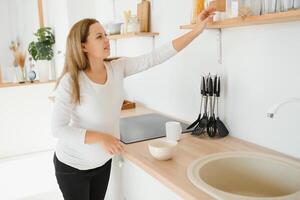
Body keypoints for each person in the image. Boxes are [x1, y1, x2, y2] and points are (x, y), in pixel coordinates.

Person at [51, 7, 215, 200]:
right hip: (73, 167)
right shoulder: (72, 81)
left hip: (102, 164)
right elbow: (58, 129)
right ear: (83, 46)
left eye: (105, 35)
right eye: (99, 37)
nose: (106, 39)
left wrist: (196, 31)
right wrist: (101, 138)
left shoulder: (117, 68)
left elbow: (154, 57)